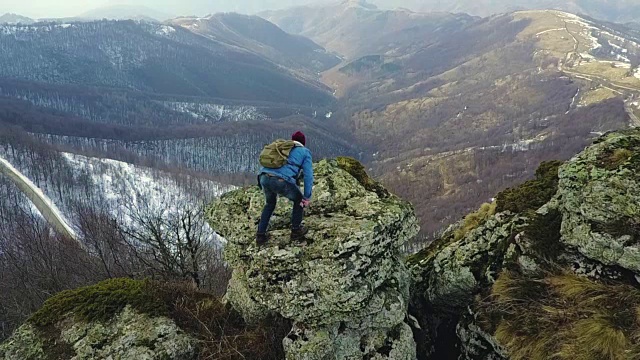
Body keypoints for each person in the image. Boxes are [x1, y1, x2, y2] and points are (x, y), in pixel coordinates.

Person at [256, 131, 313, 245]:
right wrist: (306, 196)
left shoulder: (282, 148)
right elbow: (308, 175)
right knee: (298, 201)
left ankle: (260, 236)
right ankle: (296, 231)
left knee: (270, 204)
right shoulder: (304, 152)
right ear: (303, 143)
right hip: (280, 180)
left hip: (263, 177)